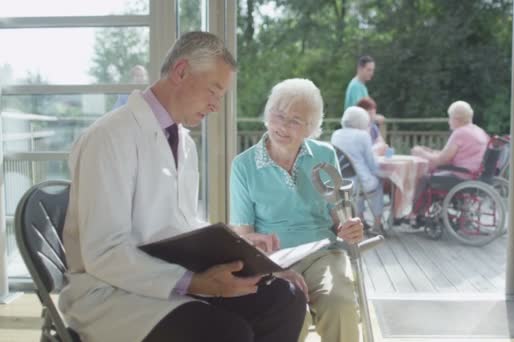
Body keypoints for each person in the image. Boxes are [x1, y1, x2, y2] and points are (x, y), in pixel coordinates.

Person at [59, 31, 306, 342]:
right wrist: (195, 283)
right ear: (181, 72)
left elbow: (182, 224)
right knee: (228, 333)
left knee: (284, 299)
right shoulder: (108, 137)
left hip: (167, 278)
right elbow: (105, 251)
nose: (216, 106)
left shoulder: (183, 142)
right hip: (112, 293)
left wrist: (247, 258)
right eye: (213, 91)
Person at [230, 78, 364, 342]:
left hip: (323, 253)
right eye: (278, 115)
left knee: (340, 304)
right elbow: (243, 237)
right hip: (273, 259)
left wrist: (349, 226)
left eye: (294, 120)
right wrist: (273, 270)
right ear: (267, 115)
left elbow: (340, 218)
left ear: (310, 128)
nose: (282, 126)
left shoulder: (325, 155)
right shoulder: (243, 166)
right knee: (291, 313)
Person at [407, 100, 490, 220]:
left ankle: (414, 213)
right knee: (430, 175)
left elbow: (441, 161)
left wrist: (421, 153)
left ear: (456, 118)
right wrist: (430, 152)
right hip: (475, 175)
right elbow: (452, 154)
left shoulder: (460, 133)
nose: (448, 120)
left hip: (462, 176)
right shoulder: (478, 130)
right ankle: (420, 211)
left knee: (424, 179)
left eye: (449, 117)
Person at [331, 106, 385, 232]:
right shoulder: (362, 135)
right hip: (358, 182)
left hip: (341, 181)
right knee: (377, 184)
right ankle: (377, 223)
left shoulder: (336, 134)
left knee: (360, 186)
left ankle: (361, 219)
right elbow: (371, 164)